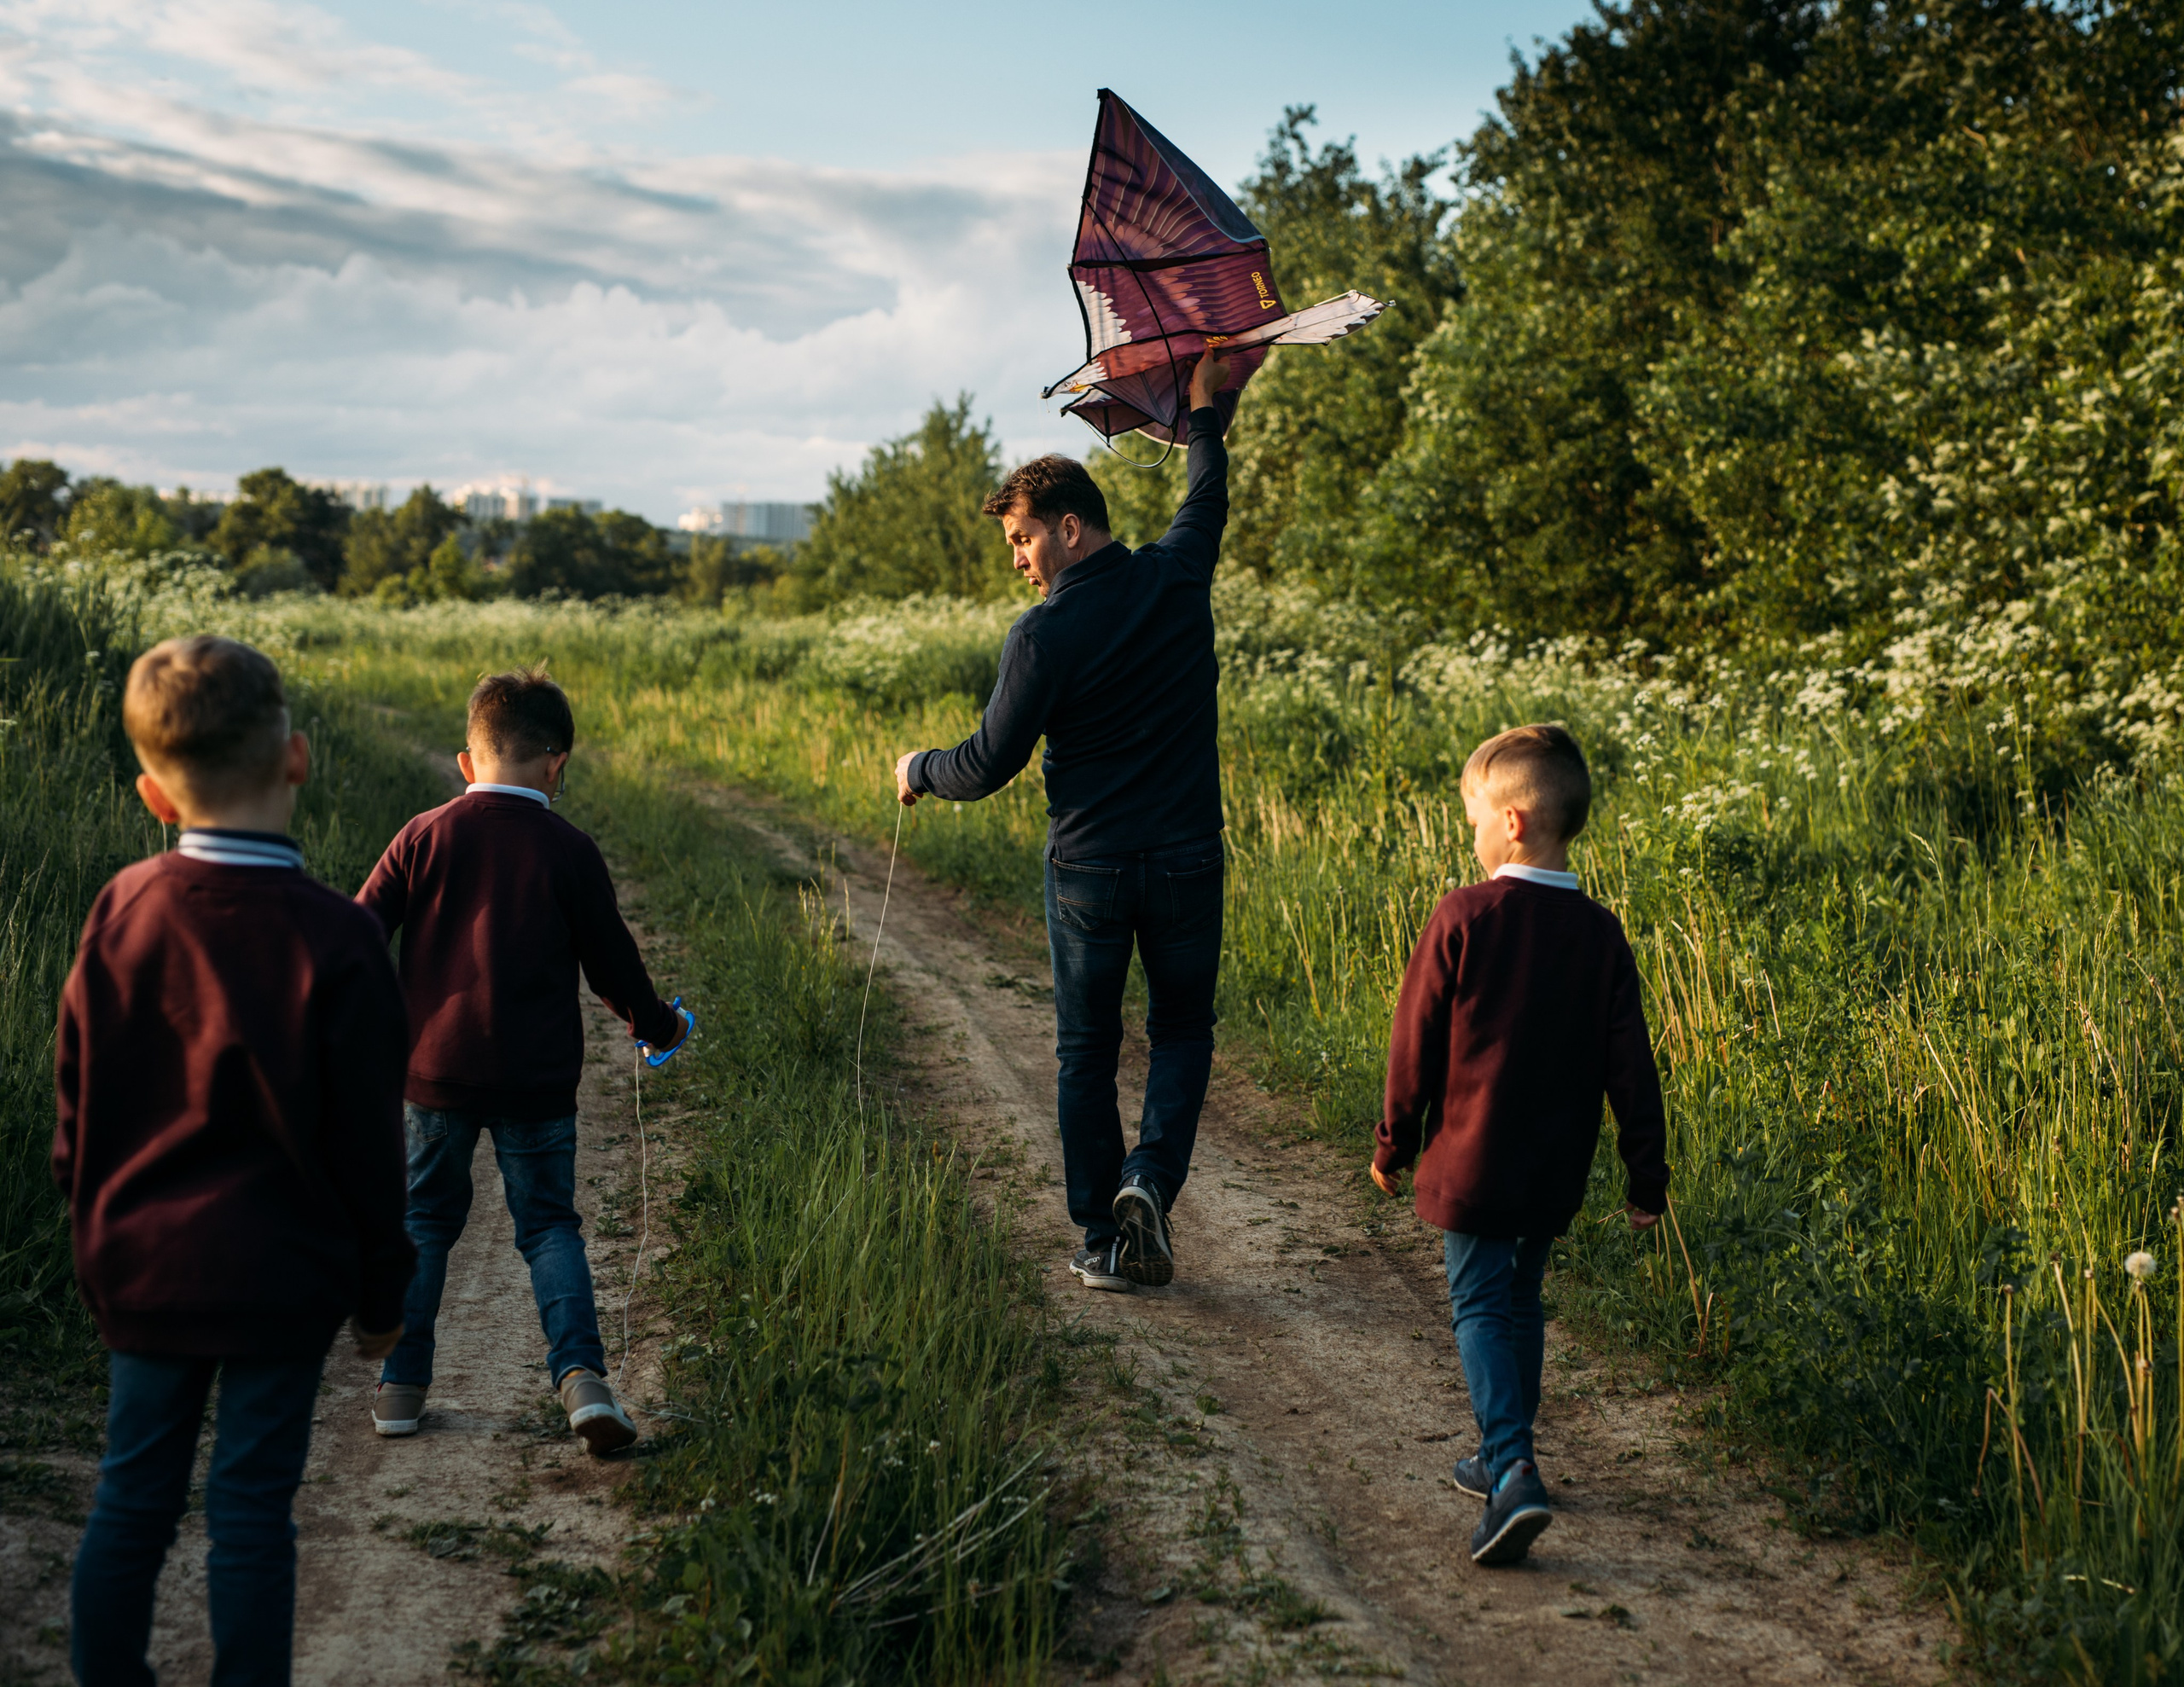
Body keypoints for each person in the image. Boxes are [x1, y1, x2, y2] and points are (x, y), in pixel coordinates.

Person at [55, 635, 414, 1686]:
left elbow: (81, 1101)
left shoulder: (121, 910)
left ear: (152, 796)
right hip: (282, 1282)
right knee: (252, 1513)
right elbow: (369, 1148)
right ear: (297, 758)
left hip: (143, 1270)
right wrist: (381, 1297)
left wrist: (93, 1240)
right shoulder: (340, 938)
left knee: (131, 1500)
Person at [893, 349, 1234, 1295]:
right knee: (1181, 1032)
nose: (1017, 561)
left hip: (1088, 871)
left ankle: (1100, 1238)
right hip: (1185, 863)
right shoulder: (1177, 578)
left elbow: (987, 763)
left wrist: (918, 769)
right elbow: (1207, 490)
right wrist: (1203, 408)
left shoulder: (1043, 634)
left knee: (1086, 1048)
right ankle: (1148, 1183)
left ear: (1070, 529)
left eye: (1022, 540)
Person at [356, 666, 690, 1455]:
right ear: (557, 764)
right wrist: (660, 1027)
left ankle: (401, 1387)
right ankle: (582, 1381)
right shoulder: (570, 850)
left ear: (467, 763)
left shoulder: (422, 834)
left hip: (433, 1076)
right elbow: (614, 966)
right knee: (548, 1228)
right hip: (536, 1084)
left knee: (423, 1223)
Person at [1370, 723, 1670, 1567]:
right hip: (1553, 1168)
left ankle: (1509, 1467)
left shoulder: (1464, 915)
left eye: (1472, 818)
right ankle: (1505, 1449)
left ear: (1511, 822)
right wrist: (1645, 1173)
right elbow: (1630, 1064)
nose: (1468, 835)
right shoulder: (1600, 933)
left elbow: (1413, 1043)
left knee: (1475, 1304)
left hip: (1471, 1161)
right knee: (1521, 1299)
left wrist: (1393, 1140)